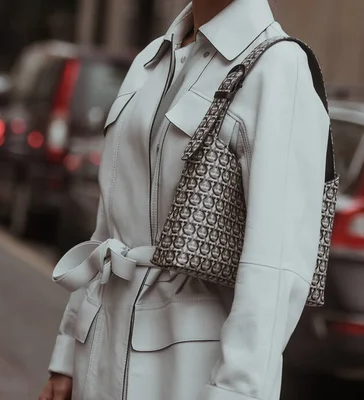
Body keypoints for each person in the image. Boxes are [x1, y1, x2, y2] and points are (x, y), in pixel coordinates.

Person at [39, 0, 330, 399]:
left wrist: (236, 393)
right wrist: (67, 354)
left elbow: (274, 271)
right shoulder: (151, 59)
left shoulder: (278, 67)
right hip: (99, 357)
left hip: (184, 373)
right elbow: (107, 231)